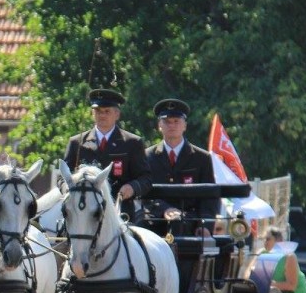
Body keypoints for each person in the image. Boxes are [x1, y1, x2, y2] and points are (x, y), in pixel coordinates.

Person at [63, 89, 151, 220]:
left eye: (107, 111)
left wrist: (132, 187)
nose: (102, 115)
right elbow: (63, 175)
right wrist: (67, 187)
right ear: (92, 113)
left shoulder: (132, 142)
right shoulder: (77, 142)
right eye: (98, 111)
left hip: (119, 211)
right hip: (83, 211)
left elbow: (146, 178)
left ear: (117, 114)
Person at [142, 99, 218, 236]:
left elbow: (209, 197)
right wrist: (165, 210)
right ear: (159, 125)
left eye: (176, 121)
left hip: (190, 223)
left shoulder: (201, 158)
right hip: (155, 221)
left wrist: (206, 225)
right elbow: (144, 193)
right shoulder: (147, 157)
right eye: (167, 122)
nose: (172, 125)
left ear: (185, 125)